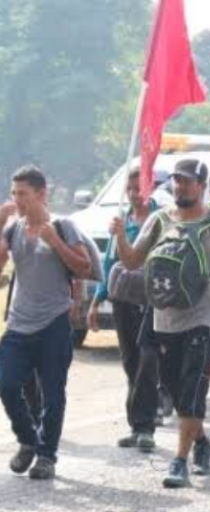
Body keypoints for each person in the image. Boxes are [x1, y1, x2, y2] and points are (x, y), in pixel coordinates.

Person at [113, 159, 210, 488]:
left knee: (191, 392)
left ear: (202, 186)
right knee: (176, 393)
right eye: (177, 181)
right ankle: (201, 441)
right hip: (164, 319)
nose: (181, 187)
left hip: (205, 318)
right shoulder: (160, 219)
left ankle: (180, 462)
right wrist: (120, 236)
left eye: (188, 182)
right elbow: (132, 260)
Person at [0, 166, 91, 481]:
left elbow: (83, 267)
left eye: (22, 193)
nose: (17, 200)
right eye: (14, 193)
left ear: (41, 193)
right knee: (7, 384)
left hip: (53, 323)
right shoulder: (12, 230)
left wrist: (56, 242)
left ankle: (46, 456)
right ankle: (28, 440)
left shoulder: (63, 226)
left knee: (53, 395)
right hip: (19, 323)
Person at [88, 167, 160, 453]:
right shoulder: (122, 220)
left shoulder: (162, 219)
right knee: (131, 362)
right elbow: (109, 265)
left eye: (138, 188)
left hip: (154, 300)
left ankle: (146, 426)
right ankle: (136, 424)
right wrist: (96, 301)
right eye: (129, 188)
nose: (133, 194)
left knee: (148, 358)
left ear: (149, 187)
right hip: (124, 299)